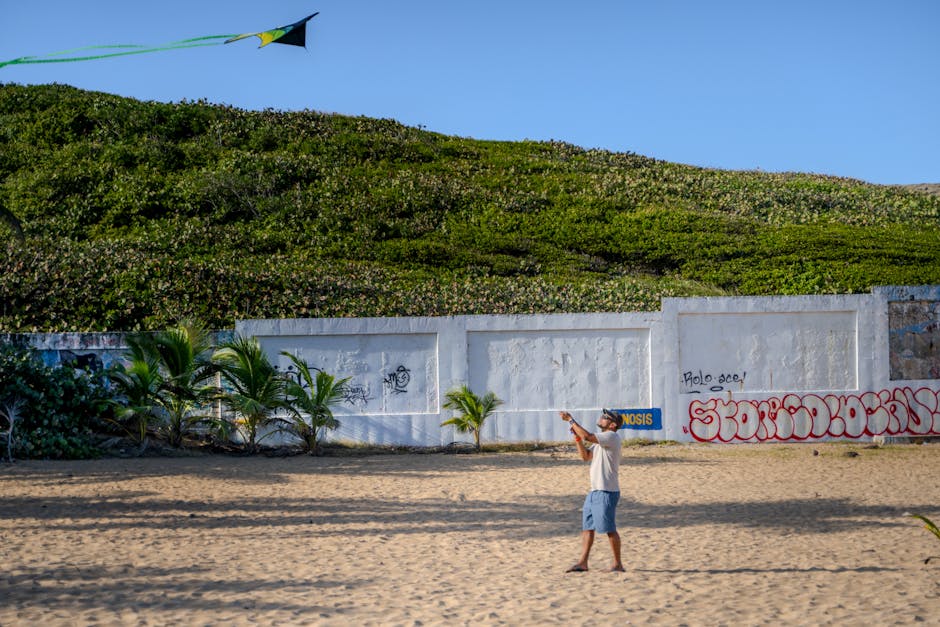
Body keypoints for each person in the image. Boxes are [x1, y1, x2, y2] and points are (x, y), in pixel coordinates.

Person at [560, 408, 625, 573]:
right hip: (595, 491)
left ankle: (618, 564)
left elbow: (588, 436)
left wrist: (571, 421)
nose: (601, 418)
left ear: (612, 424)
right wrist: (576, 438)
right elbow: (585, 456)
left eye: (605, 417)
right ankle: (583, 562)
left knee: (609, 528)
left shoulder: (611, 436)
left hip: (606, 491)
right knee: (588, 528)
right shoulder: (603, 441)